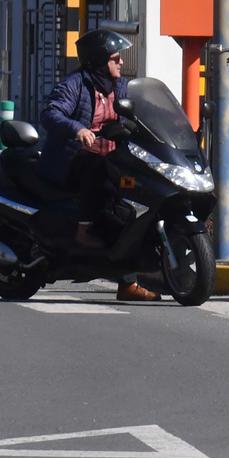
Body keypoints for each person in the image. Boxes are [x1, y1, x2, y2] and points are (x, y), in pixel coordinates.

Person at [39, 28, 158, 303]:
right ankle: (83, 228)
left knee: (127, 214)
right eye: (116, 58)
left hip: (111, 158)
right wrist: (76, 129)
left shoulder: (119, 86)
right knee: (98, 168)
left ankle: (127, 281)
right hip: (72, 161)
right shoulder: (75, 84)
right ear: (99, 60)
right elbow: (51, 112)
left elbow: (138, 112)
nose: (121, 63)